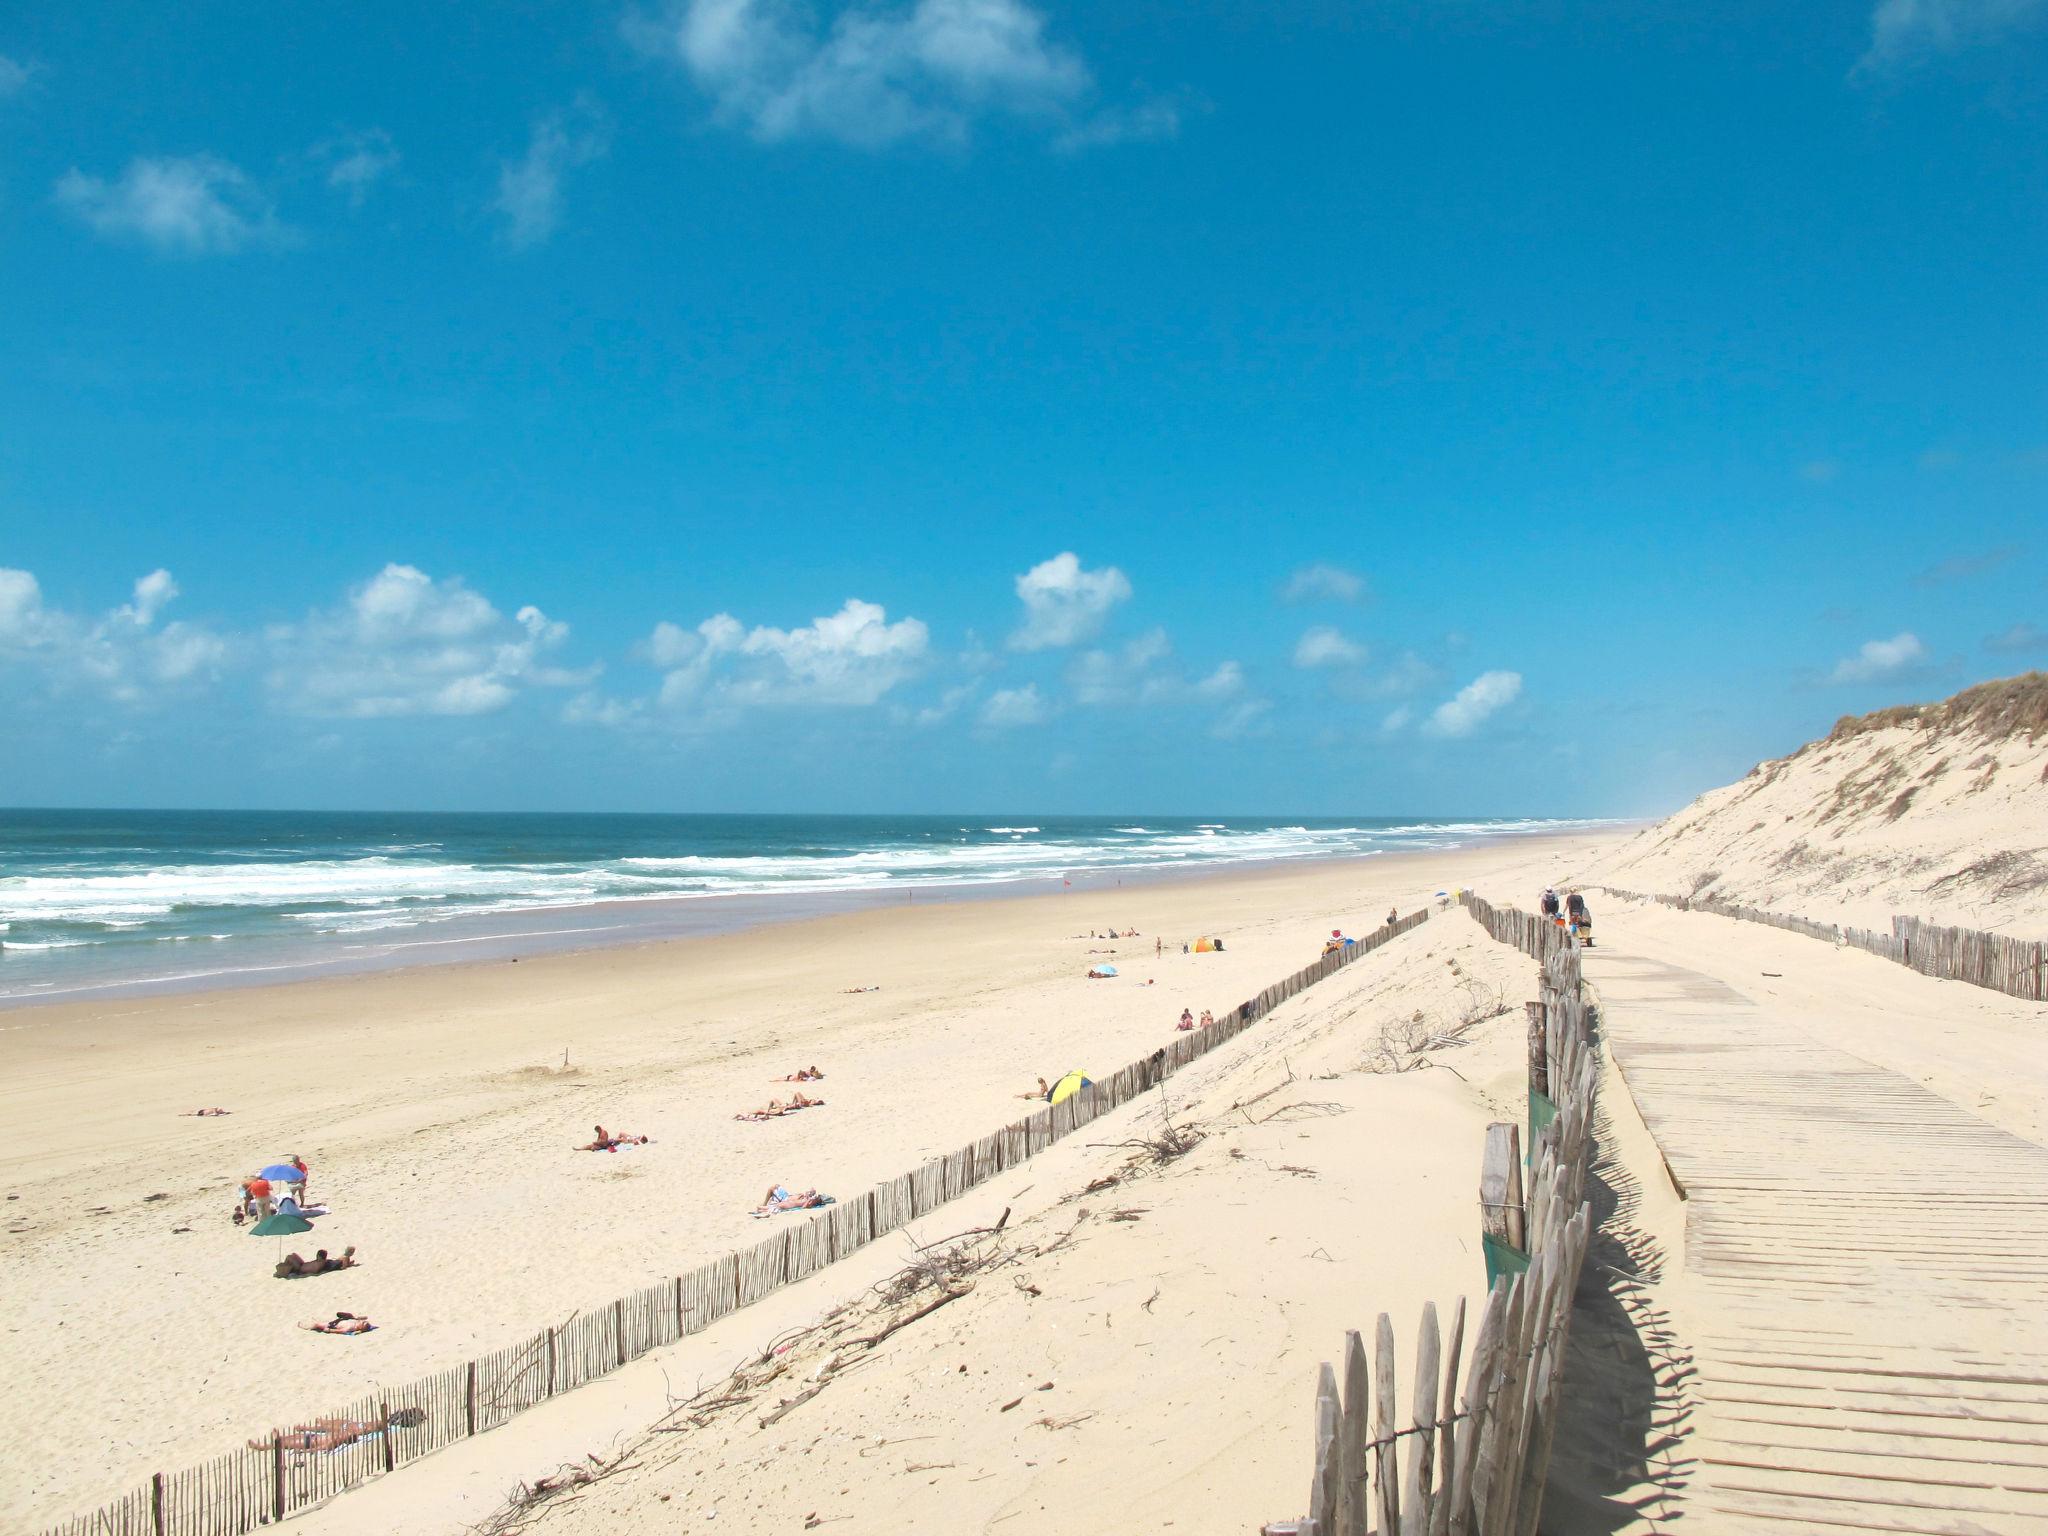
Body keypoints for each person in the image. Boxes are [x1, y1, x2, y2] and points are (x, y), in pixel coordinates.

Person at [254, 1407, 424, 1453]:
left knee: (289, 1442)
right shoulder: (351, 1432)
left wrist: (308, 1452)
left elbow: (324, 1447)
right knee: (342, 1423)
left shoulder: (345, 1436)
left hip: (316, 1440)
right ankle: (280, 1440)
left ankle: (268, 1446)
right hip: (326, 1435)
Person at [302, 1313, 375, 1335]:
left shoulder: (350, 1328)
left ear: (360, 1328)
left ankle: (306, 1327)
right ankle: (315, 1322)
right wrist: (356, 1318)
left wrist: (329, 1330)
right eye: (364, 1322)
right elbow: (366, 1317)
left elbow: (341, 1331)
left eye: (363, 1323)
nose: (363, 1322)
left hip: (332, 1325)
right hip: (342, 1320)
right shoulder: (356, 1322)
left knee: (317, 1325)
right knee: (349, 1315)